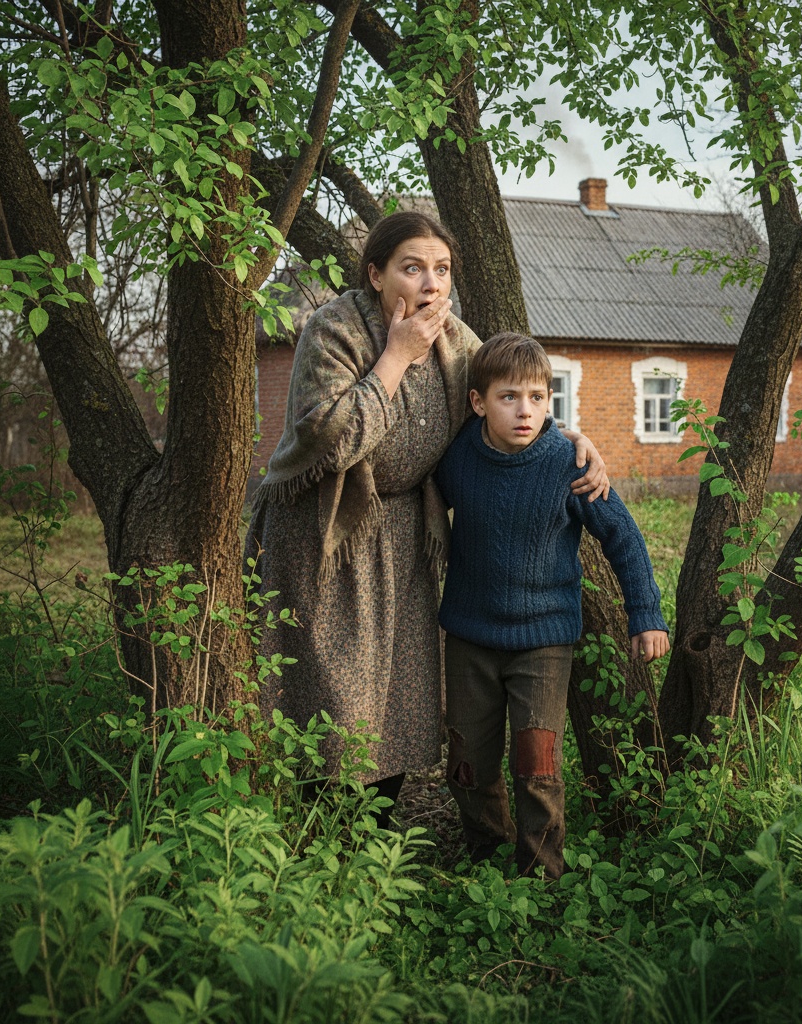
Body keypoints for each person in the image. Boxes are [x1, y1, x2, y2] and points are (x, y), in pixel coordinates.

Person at [244, 212, 609, 825]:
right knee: (331, 692)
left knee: (396, 696)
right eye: (413, 268)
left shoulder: (458, 343)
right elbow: (331, 444)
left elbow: (508, 401)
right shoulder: (333, 331)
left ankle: (379, 828)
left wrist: (570, 440)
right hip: (324, 535)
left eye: (441, 270)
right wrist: (395, 357)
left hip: (408, 534)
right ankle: (322, 836)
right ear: (376, 275)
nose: (431, 285)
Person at [435, 332, 671, 878]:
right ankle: (487, 860)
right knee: (468, 762)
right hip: (469, 637)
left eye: (539, 398)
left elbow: (624, 539)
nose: (525, 411)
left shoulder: (570, 463)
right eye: (509, 397)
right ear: (478, 402)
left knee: (537, 762)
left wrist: (648, 615)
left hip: (543, 642)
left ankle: (542, 877)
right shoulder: (456, 460)